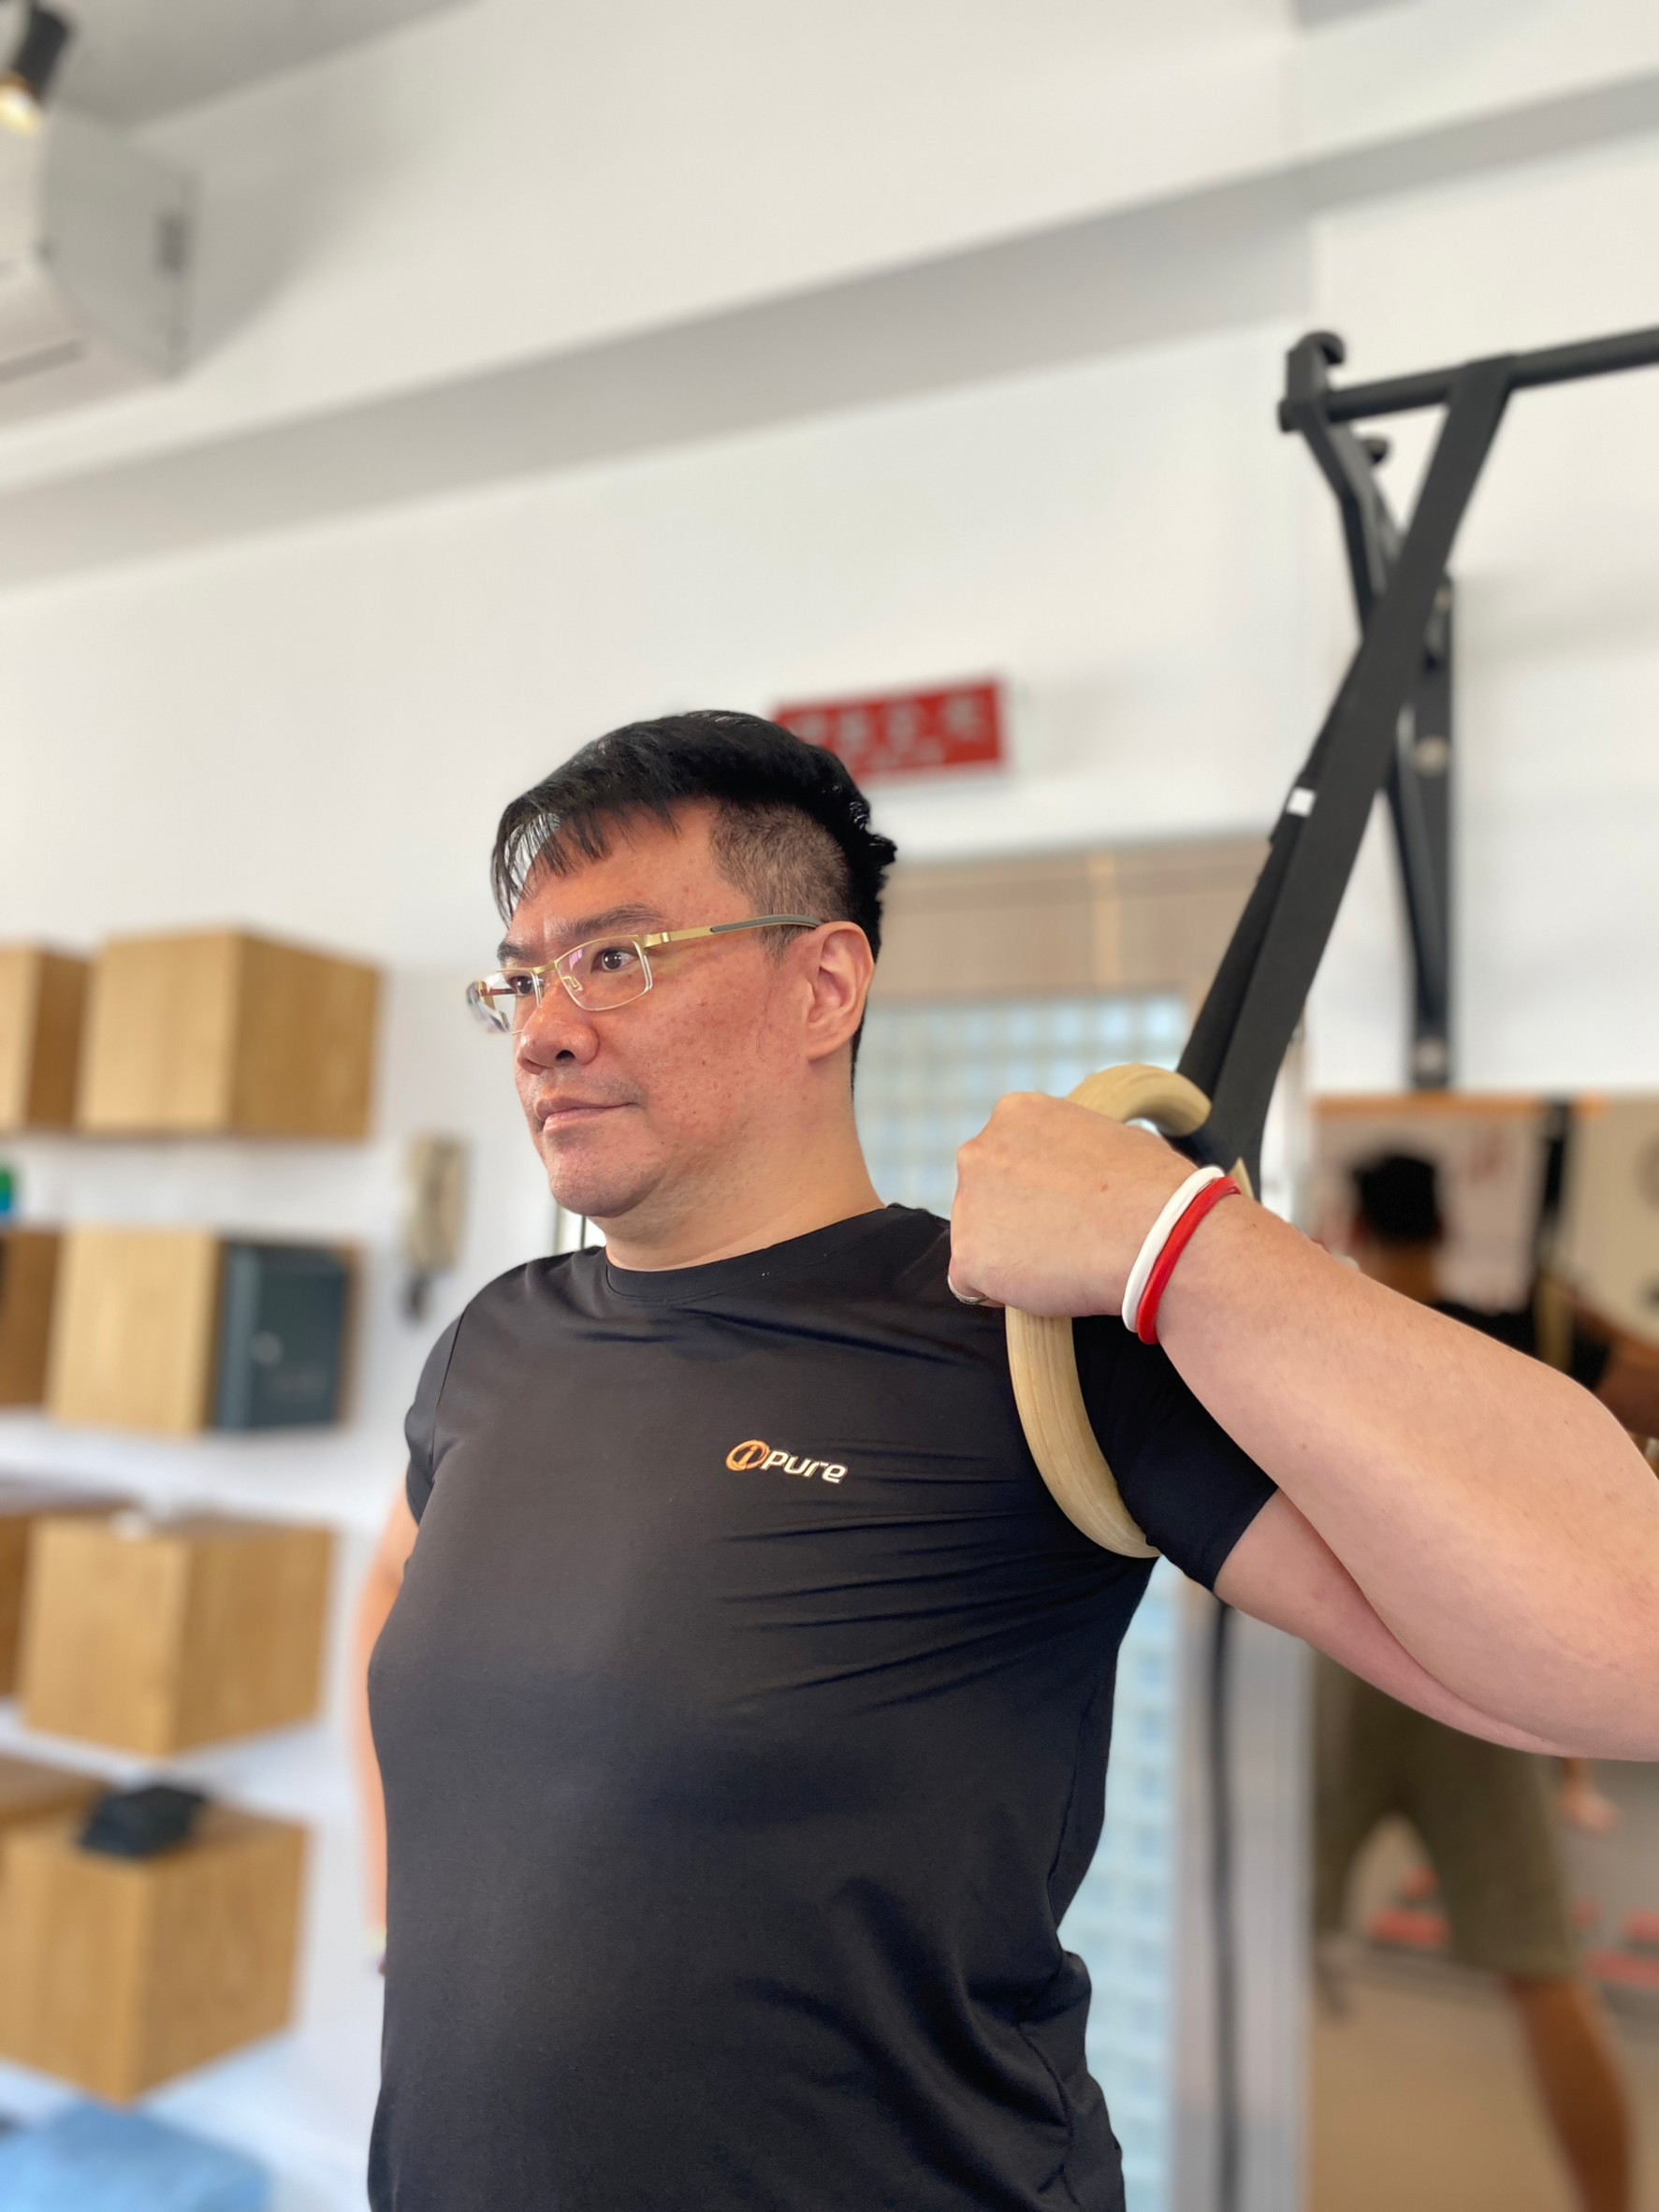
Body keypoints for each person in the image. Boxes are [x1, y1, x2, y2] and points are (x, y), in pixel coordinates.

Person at [354, 712, 1659, 2212]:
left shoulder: (1032, 1346)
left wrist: (1180, 1244)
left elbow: (1624, 1647)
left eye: (616, 958)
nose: (543, 1028)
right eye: (521, 977)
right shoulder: (497, 1340)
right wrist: (414, 1945)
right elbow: (394, 1585)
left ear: (823, 985)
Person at [1316, 1150, 1659, 2212]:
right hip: (1468, 1689)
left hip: (1351, 1678)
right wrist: (1579, 1322)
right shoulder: (1508, 1335)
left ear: (1356, 1229)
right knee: (1542, 1968)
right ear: (1448, 1226)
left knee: (1231, 1919)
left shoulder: (1324, 1329)